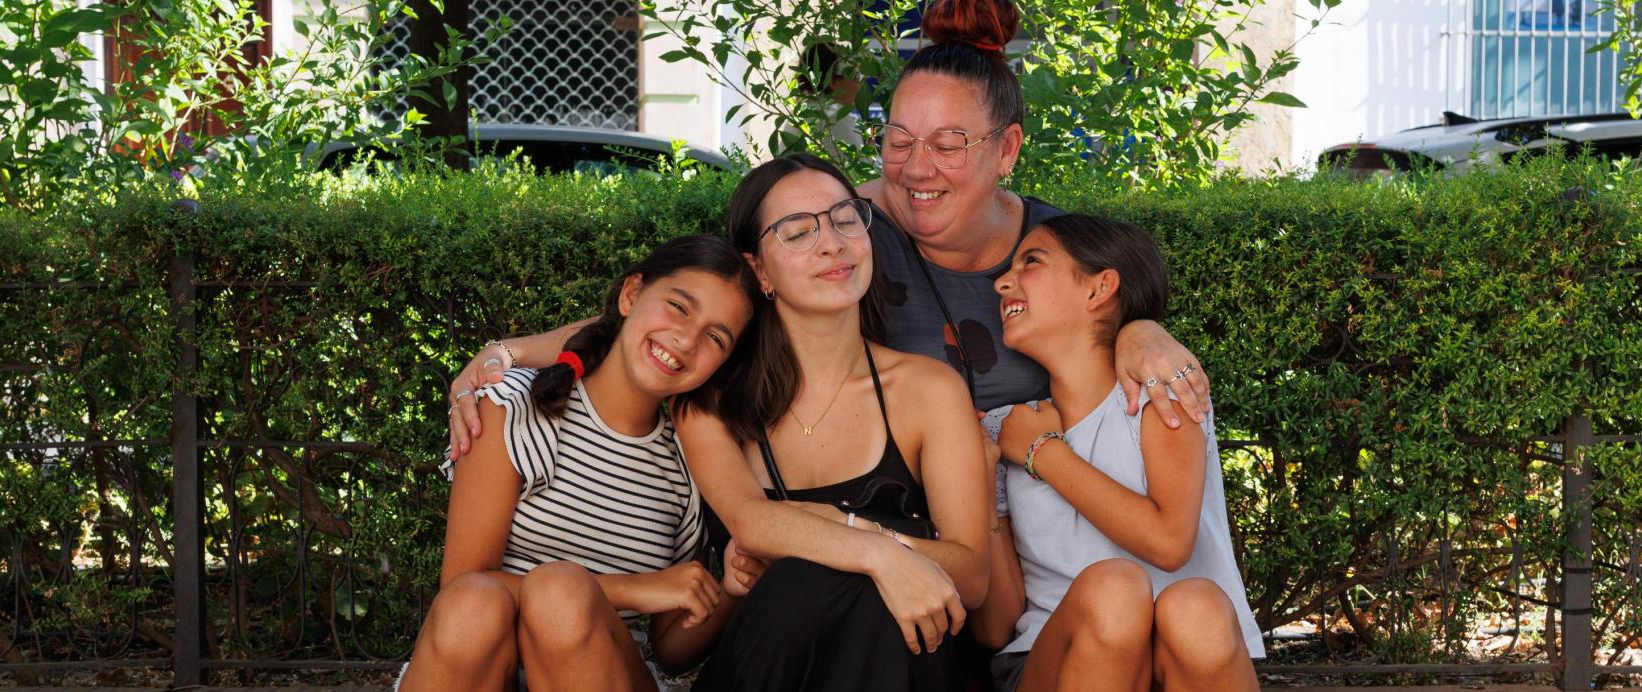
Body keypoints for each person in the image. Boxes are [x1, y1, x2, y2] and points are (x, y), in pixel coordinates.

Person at [441, 0, 1212, 459]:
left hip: (1044, 534)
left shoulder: (1058, 247)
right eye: (898, 139)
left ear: (1006, 150)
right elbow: (687, 311)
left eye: (950, 143)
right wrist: (508, 353)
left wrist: (1140, 331)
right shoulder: (844, 233)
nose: (917, 168)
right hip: (893, 515)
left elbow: (1118, 312)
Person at [367, 236, 763, 692]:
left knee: (559, 592)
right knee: (496, 598)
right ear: (630, 295)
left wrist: (730, 589)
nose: (685, 340)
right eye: (678, 307)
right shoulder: (516, 408)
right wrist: (634, 588)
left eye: (716, 337)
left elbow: (671, 650)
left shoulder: (688, 458)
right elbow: (462, 586)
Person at [674, 153, 990, 692]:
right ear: (758, 269)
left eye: (846, 217)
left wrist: (863, 547)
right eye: (797, 230)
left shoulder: (928, 389)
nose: (832, 241)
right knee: (804, 583)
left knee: (852, 594)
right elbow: (752, 523)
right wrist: (885, 554)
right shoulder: (714, 401)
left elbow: (974, 574)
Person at [972, 214, 1300, 692]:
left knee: (1192, 600)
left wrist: (1044, 455)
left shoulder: (1165, 395)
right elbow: (996, 625)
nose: (1003, 282)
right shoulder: (1001, 430)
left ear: (1101, 289)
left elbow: (1168, 540)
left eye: (1030, 263)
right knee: (1115, 589)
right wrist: (987, 494)